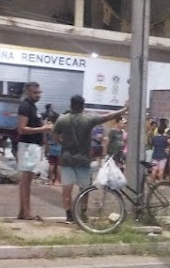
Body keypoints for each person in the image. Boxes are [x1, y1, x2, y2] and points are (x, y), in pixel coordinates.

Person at [53, 95, 128, 223]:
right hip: (83, 159)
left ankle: (69, 215)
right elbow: (108, 116)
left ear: (70, 105)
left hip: (66, 158)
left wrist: (63, 144)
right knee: (85, 189)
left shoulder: (62, 119)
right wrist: (124, 109)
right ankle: (82, 214)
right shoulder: (88, 119)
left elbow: (55, 135)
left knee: (67, 188)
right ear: (83, 106)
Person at [17, 82, 53, 220]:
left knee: (28, 180)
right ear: (27, 92)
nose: (38, 95)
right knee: (26, 181)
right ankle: (26, 213)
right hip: (28, 146)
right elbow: (22, 128)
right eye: (35, 93)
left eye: (39, 93)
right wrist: (42, 129)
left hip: (33, 146)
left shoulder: (33, 107)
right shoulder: (25, 106)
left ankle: (23, 212)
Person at [44, 112, 62, 185]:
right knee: (59, 165)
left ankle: (50, 180)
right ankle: (57, 180)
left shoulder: (48, 127)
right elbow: (61, 138)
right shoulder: (60, 128)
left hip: (50, 147)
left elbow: (45, 139)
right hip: (59, 147)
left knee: (51, 164)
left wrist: (46, 148)